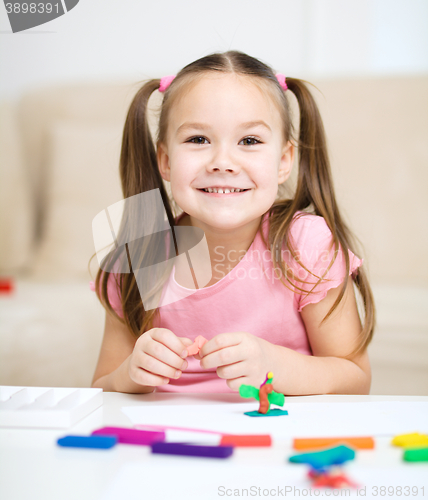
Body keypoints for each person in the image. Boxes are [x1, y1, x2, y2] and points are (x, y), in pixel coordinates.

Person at [90, 50, 375, 395]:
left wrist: (276, 365)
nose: (222, 162)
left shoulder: (307, 245)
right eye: (198, 139)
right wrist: (129, 374)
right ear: (165, 160)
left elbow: (355, 379)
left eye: (249, 141)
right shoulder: (141, 257)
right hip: (174, 441)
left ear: (284, 160)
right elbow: (102, 386)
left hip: (276, 439)